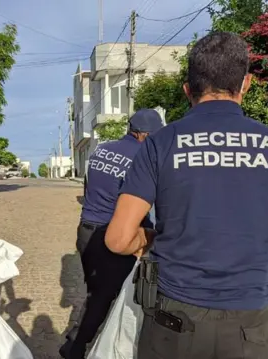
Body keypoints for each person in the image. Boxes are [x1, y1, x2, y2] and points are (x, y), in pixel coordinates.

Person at [105, 32, 268, 359]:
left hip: (173, 323)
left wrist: (152, 238)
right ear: (245, 84)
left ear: (188, 89)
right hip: (249, 328)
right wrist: (256, 235)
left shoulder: (160, 144)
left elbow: (118, 240)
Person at [59, 109, 164, 359]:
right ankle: (76, 346)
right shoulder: (143, 157)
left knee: (99, 292)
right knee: (106, 297)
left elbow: (87, 188)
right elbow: (145, 201)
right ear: (143, 135)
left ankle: (86, 341)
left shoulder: (101, 150)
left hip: (86, 231)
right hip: (112, 236)